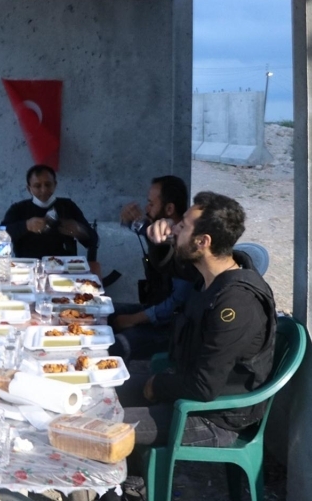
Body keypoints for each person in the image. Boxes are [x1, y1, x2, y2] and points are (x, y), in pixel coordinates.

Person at [118, 191, 277, 450]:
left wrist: (157, 384)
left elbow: (204, 387)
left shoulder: (236, 303)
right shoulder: (207, 277)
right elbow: (168, 265)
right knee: (98, 393)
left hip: (212, 417)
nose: (174, 229)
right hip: (185, 391)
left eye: (182, 226)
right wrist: (157, 238)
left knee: (98, 427)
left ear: (202, 241)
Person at [108, 175, 194, 361]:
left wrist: (133, 319)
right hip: (154, 306)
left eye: (151, 204)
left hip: (172, 327)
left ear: (169, 209)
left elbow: (175, 305)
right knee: (104, 312)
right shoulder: (157, 231)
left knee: (117, 346)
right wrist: (128, 219)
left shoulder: (184, 250)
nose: (146, 208)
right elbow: (143, 228)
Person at [0, 164, 98, 259]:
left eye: (48, 185)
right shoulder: (18, 208)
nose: (44, 190)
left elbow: (94, 241)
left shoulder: (68, 206)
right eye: (37, 186)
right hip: (28, 265)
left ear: (55, 184)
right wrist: (26, 226)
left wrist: (80, 231)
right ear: (29, 189)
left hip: (64, 265)